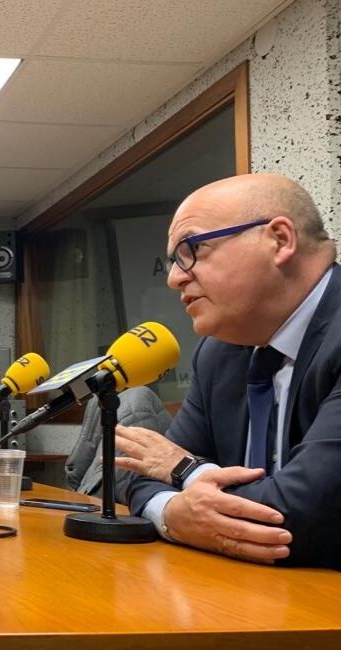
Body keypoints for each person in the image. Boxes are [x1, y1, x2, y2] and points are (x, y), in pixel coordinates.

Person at [114, 173, 340, 568]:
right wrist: (172, 515)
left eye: (193, 249)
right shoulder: (220, 353)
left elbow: (303, 516)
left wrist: (187, 472)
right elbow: (140, 476)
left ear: (280, 240)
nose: (174, 278)